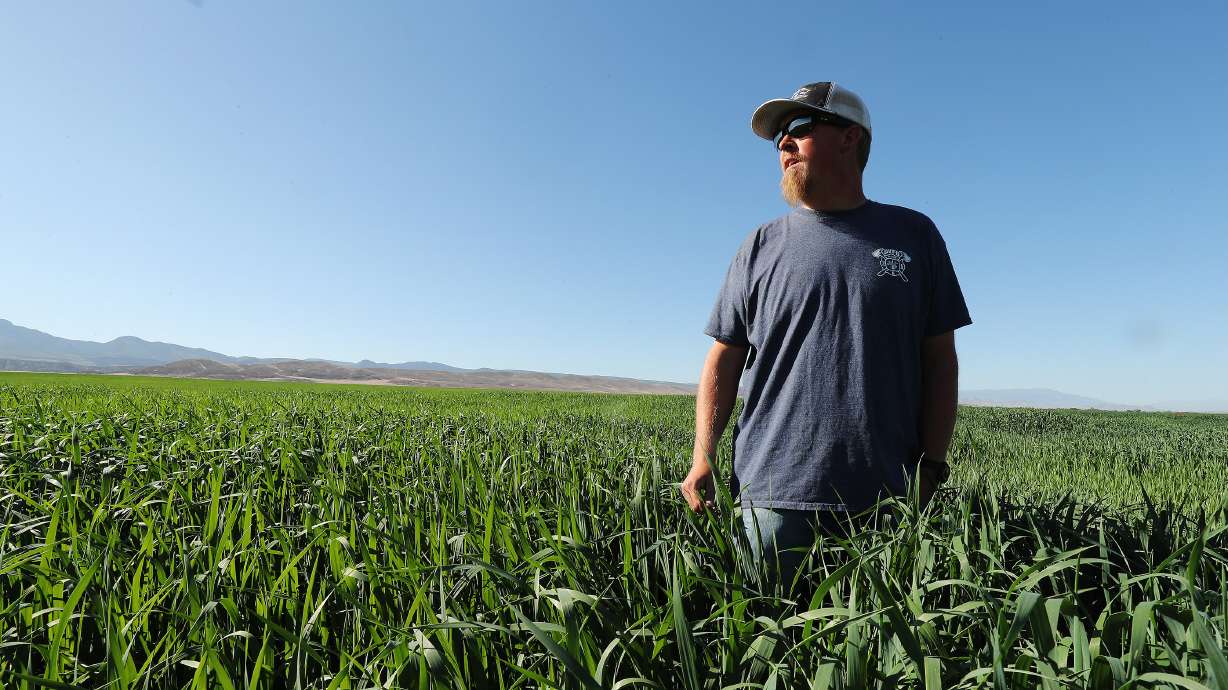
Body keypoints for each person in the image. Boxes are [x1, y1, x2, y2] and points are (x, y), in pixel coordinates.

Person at [679, 82, 971, 582]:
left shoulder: (913, 235)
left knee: (879, 652)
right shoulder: (759, 245)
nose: (784, 145)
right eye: (779, 140)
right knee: (768, 644)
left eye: (799, 128)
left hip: (886, 499)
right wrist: (702, 456)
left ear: (850, 138)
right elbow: (722, 360)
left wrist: (932, 467)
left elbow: (940, 361)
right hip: (771, 497)